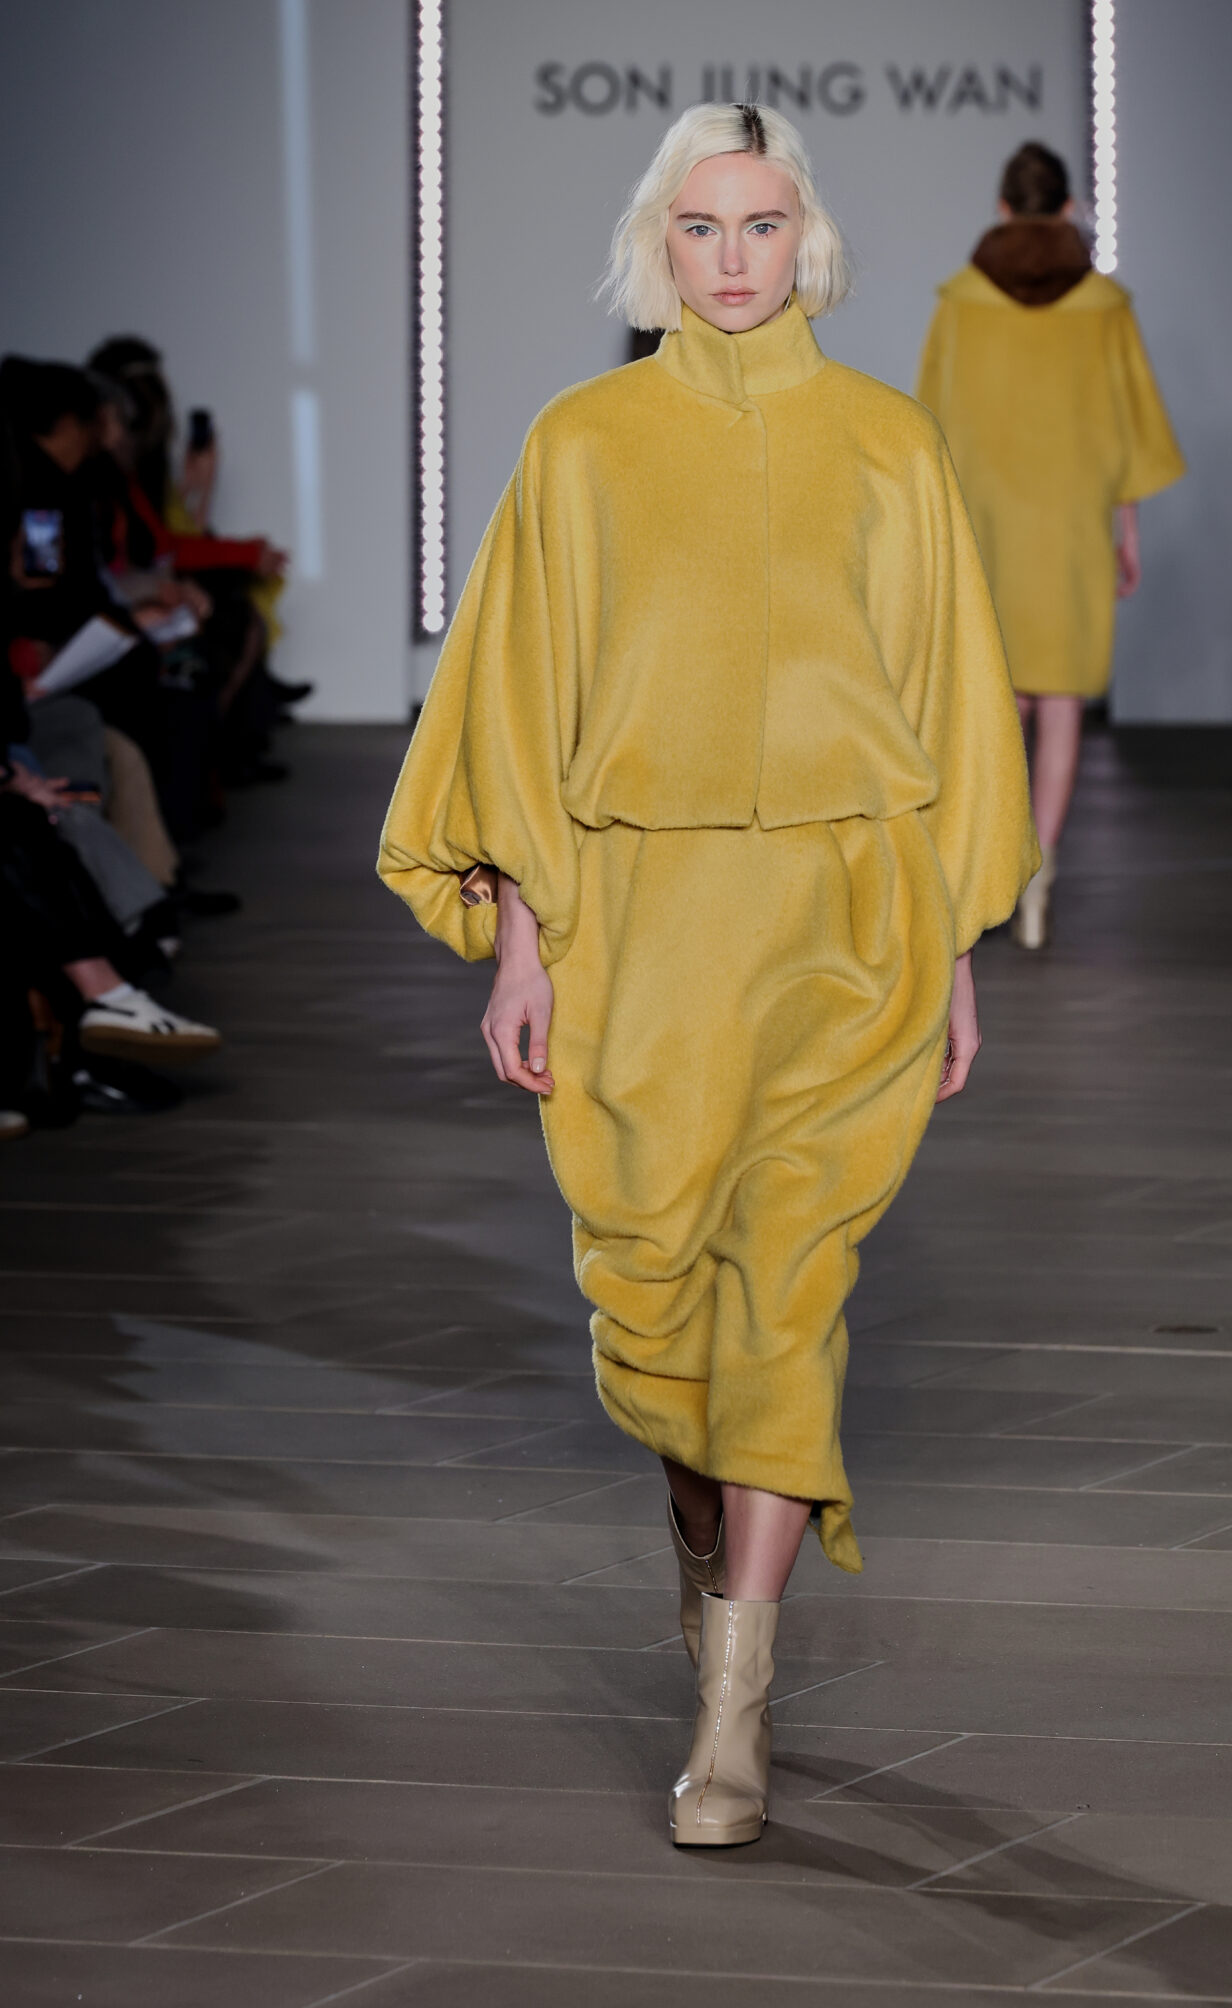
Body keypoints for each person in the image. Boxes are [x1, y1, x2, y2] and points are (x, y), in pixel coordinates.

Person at [379, 102, 1035, 1848]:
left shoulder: (889, 444)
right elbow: (516, 701)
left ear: (804, 236)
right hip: (643, 927)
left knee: (788, 1299)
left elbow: (952, 703)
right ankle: (702, 1530)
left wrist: (955, 955)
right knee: (659, 1300)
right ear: (655, 244)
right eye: (700, 226)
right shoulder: (581, 445)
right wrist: (521, 943)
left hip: (845, 920)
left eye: (760, 224)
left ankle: (730, 1708)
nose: (733, 258)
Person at [916, 141, 1184, 947]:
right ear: (1068, 207)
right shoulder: (1104, 305)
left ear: (1002, 208)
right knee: (1062, 699)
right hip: (1071, 520)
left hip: (987, 517)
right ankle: (1040, 875)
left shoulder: (961, 301)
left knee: (1003, 697)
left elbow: (930, 422)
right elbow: (1128, 422)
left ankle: (995, 874)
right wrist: (1126, 530)